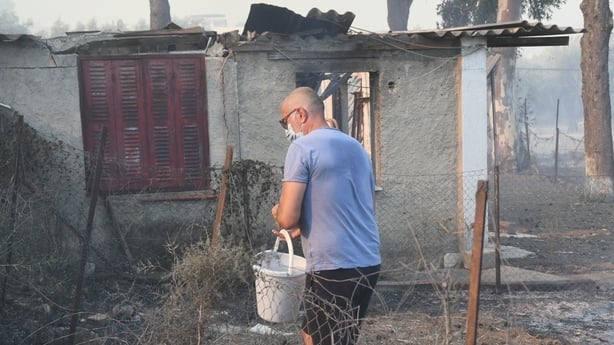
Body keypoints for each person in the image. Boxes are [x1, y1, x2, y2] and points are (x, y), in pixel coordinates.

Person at [271, 87, 381, 345]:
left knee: (329, 340)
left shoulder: (302, 147)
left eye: (284, 120)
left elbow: (286, 218)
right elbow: (363, 205)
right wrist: (308, 224)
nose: (286, 128)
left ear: (301, 114)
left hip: (334, 264)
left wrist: (279, 213)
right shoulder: (356, 148)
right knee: (312, 332)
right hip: (367, 261)